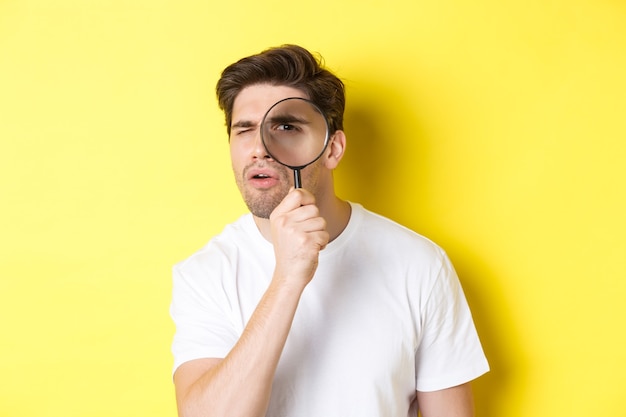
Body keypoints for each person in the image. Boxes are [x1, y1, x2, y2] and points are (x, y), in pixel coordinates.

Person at [170, 44, 489, 417]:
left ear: (332, 149)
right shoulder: (205, 274)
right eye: (244, 130)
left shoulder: (419, 264)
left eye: (286, 126)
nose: (260, 148)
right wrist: (287, 279)